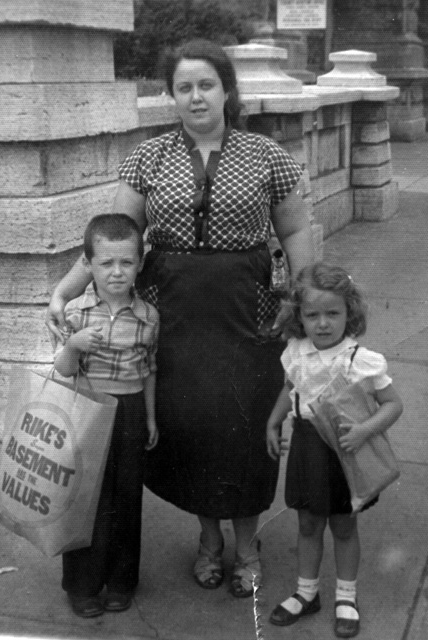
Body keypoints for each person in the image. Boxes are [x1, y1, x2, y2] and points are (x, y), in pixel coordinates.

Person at [46, 38, 314, 598]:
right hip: (172, 317)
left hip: (249, 314)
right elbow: (116, 237)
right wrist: (64, 291)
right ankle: (209, 542)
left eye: (206, 84)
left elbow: (295, 233)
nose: (196, 96)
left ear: (226, 89)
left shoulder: (268, 157)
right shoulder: (147, 157)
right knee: (190, 429)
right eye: (184, 87)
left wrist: (306, 305)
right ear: (171, 95)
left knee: (243, 430)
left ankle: (247, 547)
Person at [266, 262, 403, 638]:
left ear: (349, 313)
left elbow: (393, 404)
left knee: (343, 524)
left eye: (333, 313)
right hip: (308, 447)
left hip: (344, 450)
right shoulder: (296, 351)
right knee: (308, 521)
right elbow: (289, 388)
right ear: (300, 317)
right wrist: (273, 422)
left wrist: (364, 430)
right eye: (312, 315)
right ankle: (306, 592)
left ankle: (346, 596)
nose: (323, 323)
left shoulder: (361, 360)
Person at [53, 214, 159, 618]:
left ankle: (121, 581)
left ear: (140, 263)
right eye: (106, 263)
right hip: (88, 413)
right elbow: (63, 370)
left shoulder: (148, 316)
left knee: (127, 497)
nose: (117, 272)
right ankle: (82, 585)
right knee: (85, 499)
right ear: (89, 264)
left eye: (126, 263)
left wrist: (150, 418)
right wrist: (74, 345)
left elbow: (150, 369)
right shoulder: (77, 313)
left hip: (130, 412)